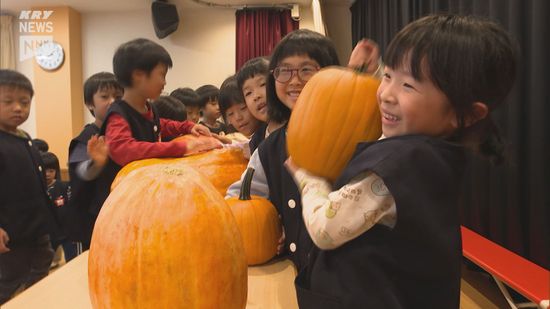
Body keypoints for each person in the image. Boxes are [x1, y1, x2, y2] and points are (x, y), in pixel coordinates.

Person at [285, 14, 517, 308]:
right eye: (388, 76)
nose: (386, 94)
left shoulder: (397, 169)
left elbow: (324, 230)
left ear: (467, 114)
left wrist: (307, 178)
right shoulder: (429, 152)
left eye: (408, 85)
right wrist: (371, 73)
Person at [226, 29, 341, 272]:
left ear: (331, 74)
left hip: (352, 277)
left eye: (306, 69)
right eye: (284, 70)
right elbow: (240, 199)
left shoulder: (353, 131)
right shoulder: (270, 148)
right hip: (299, 273)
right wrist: (270, 222)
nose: (294, 80)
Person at [90, 38, 219, 242]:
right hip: (123, 200)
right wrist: (176, 147)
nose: (164, 82)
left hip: (144, 193)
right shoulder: (118, 114)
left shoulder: (148, 109)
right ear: (139, 75)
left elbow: (161, 124)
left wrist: (187, 126)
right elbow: (123, 149)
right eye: (161, 75)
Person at [0, 69, 57, 304]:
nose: (18, 108)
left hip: (35, 228)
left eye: (24, 102)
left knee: (39, 274)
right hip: (10, 236)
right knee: (8, 283)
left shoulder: (25, 139)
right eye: (8, 101)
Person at [66, 72, 122, 248]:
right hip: (95, 223)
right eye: (104, 97)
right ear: (90, 103)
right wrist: (96, 165)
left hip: (121, 217)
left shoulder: (123, 136)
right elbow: (79, 181)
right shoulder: (84, 140)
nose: (113, 101)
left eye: (118, 97)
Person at [40, 151, 78, 264]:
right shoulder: (39, 190)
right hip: (49, 233)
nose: (47, 174)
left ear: (56, 171)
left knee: (71, 261)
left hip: (66, 232)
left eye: (51, 171)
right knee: (44, 263)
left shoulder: (64, 187)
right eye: (44, 171)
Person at [236, 57, 279, 153]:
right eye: (248, 93)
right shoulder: (256, 141)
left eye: (263, 84)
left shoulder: (296, 127)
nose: (256, 96)